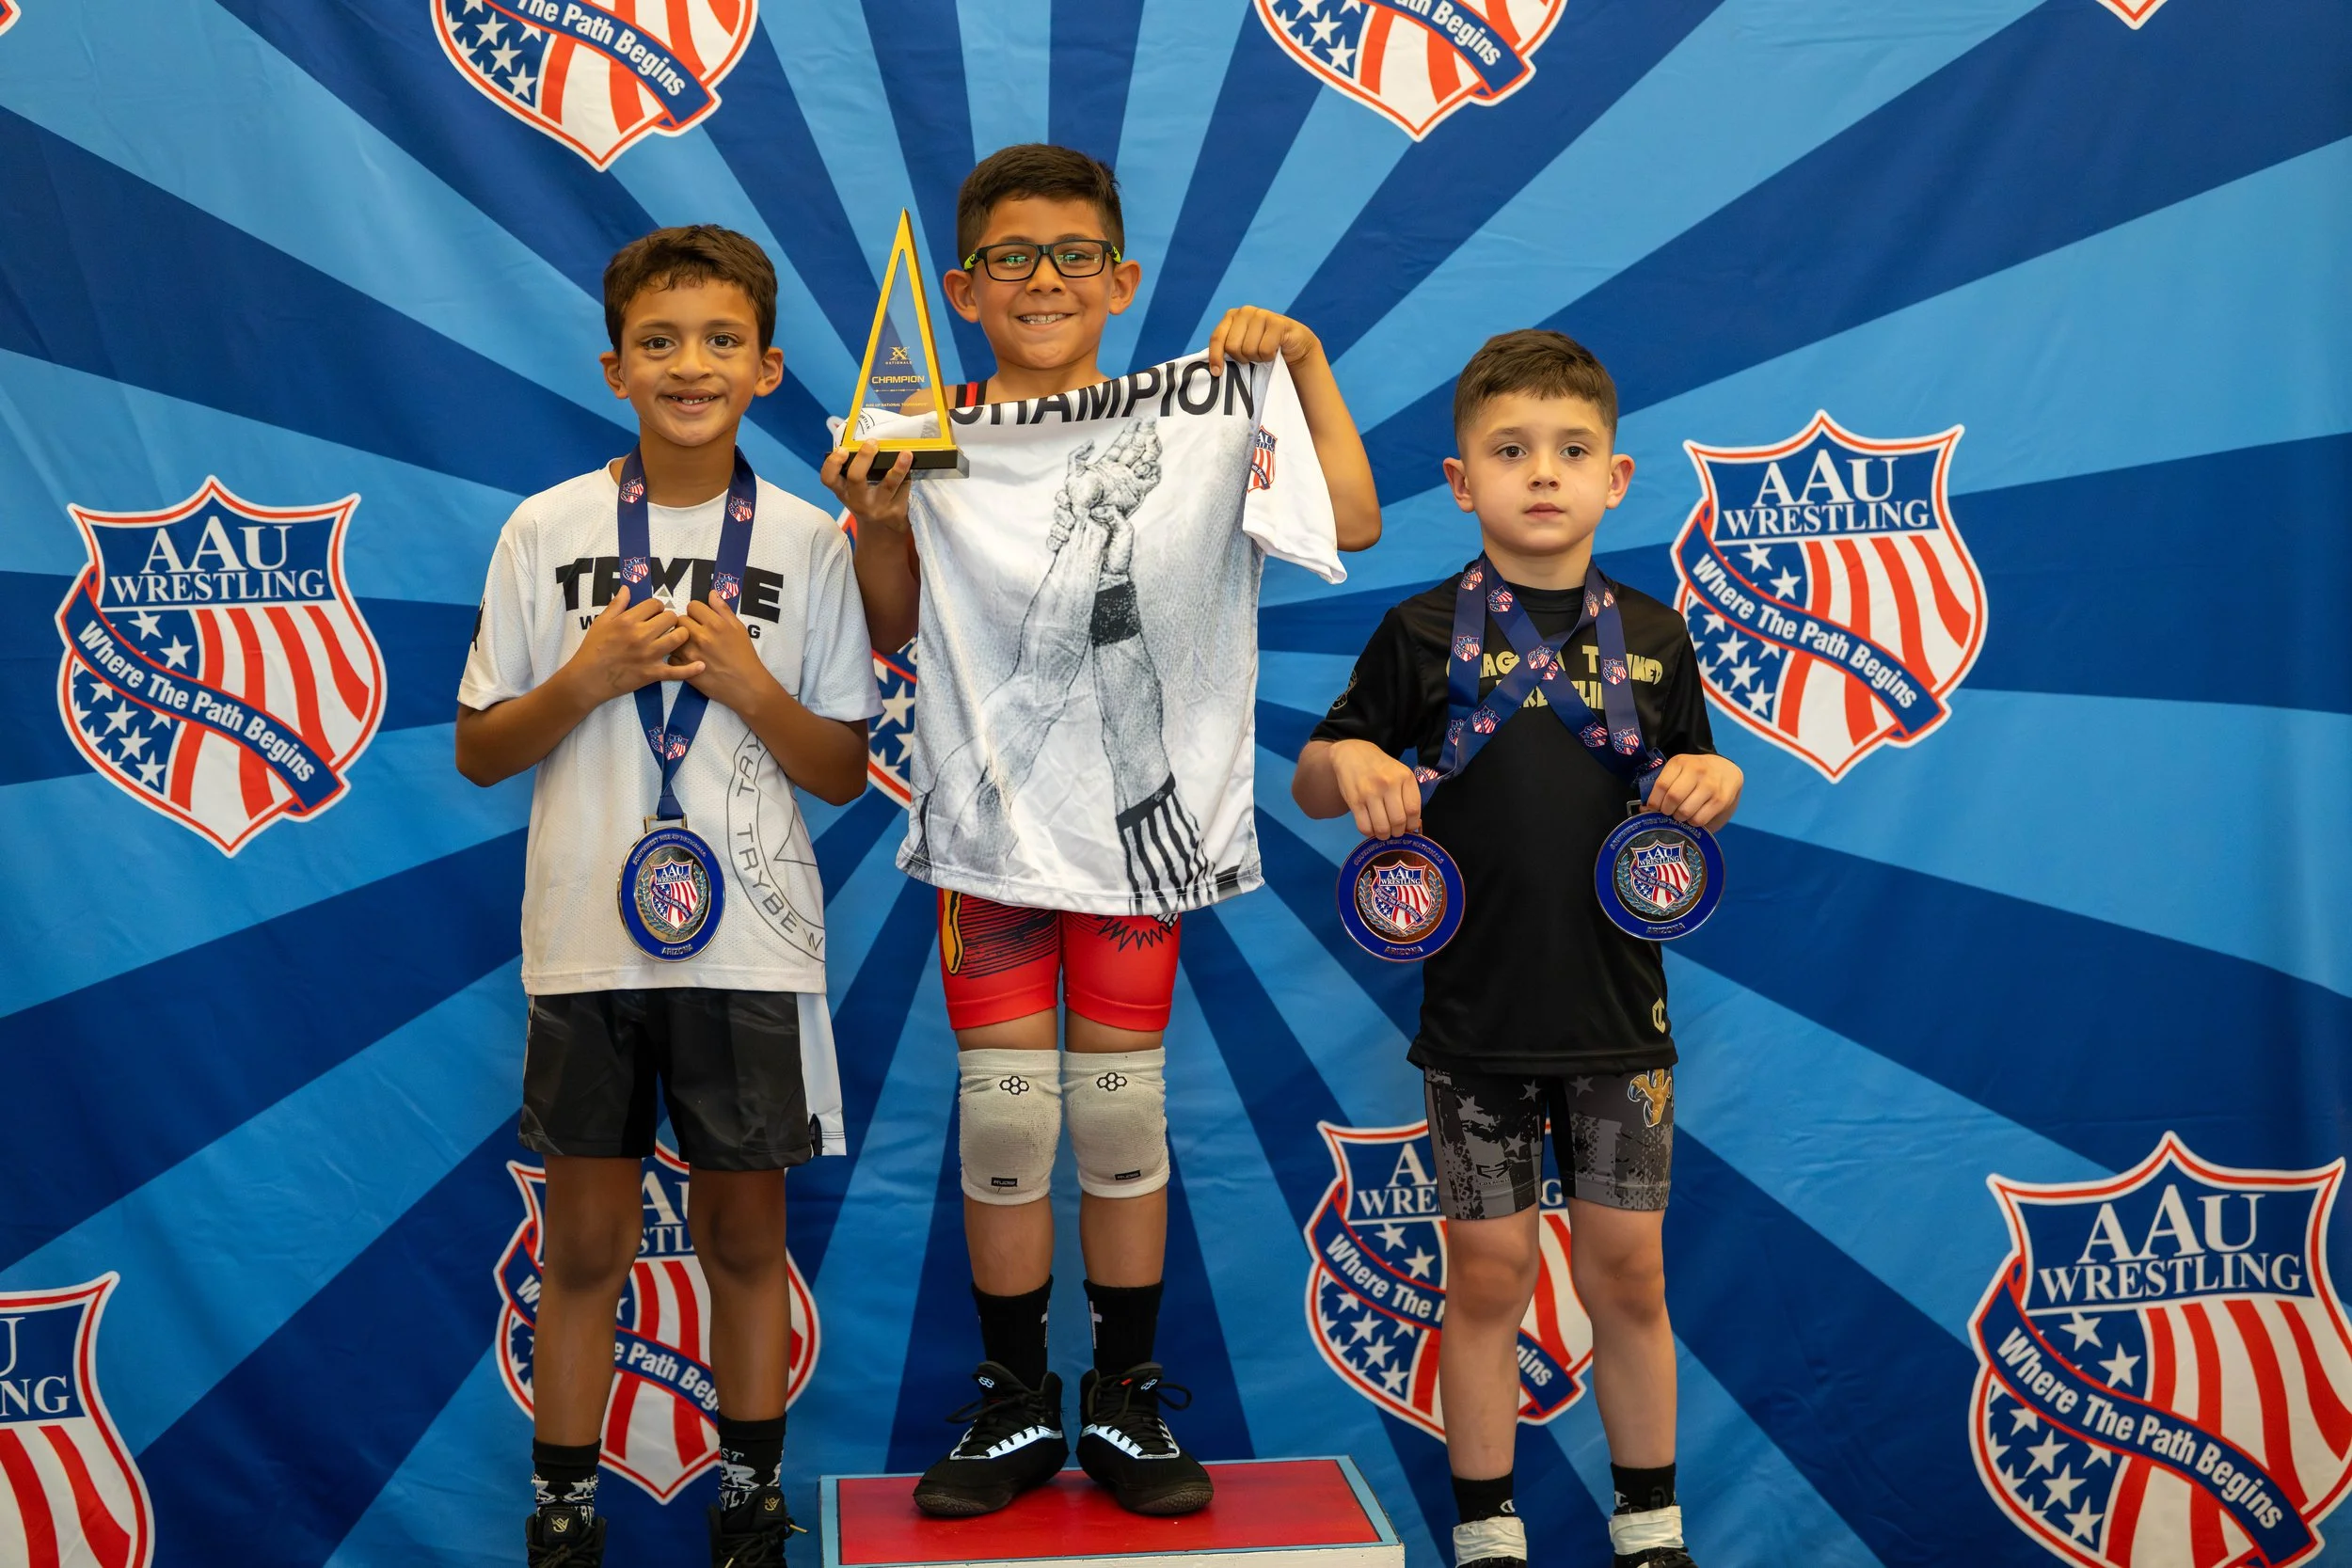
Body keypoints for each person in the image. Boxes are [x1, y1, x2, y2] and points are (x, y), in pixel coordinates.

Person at [822, 143, 1381, 1519]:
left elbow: (1353, 518)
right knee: (1009, 1131)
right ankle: (1016, 1401)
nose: (1045, 280)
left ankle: (1123, 1396)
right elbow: (888, 624)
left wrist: (1300, 367)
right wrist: (876, 518)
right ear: (962, 286)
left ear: (1123, 280)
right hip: (989, 837)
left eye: (1076, 255)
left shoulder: (1196, 417)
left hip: (1140, 841)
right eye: (1011, 257)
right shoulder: (924, 426)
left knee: (1122, 1112)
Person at [457, 226, 880, 1568]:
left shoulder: (811, 543)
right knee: (583, 1240)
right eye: (658, 341)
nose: (687, 364)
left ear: (765, 367)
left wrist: (748, 689)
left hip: (751, 944)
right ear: (613, 364)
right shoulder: (549, 526)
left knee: (745, 1233)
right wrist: (586, 678)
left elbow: (843, 767)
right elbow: (479, 747)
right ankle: (564, 1511)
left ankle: (752, 1500)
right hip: (586, 942)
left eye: (717, 342)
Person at [1291, 330, 1741, 1568]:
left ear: (1617, 478)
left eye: (1570, 449)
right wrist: (1359, 759)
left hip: (1616, 1017)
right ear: (1460, 480)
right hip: (1478, 1021)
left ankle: (1651, 1530)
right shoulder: (1421, 632)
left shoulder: (1655, 637)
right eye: (1510, 450)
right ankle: (1487, 1531)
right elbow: (1318, 776)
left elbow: (1692, 784)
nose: (1540, 473)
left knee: (1628, 1279)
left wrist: (1719, 772)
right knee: (1487, 1279)